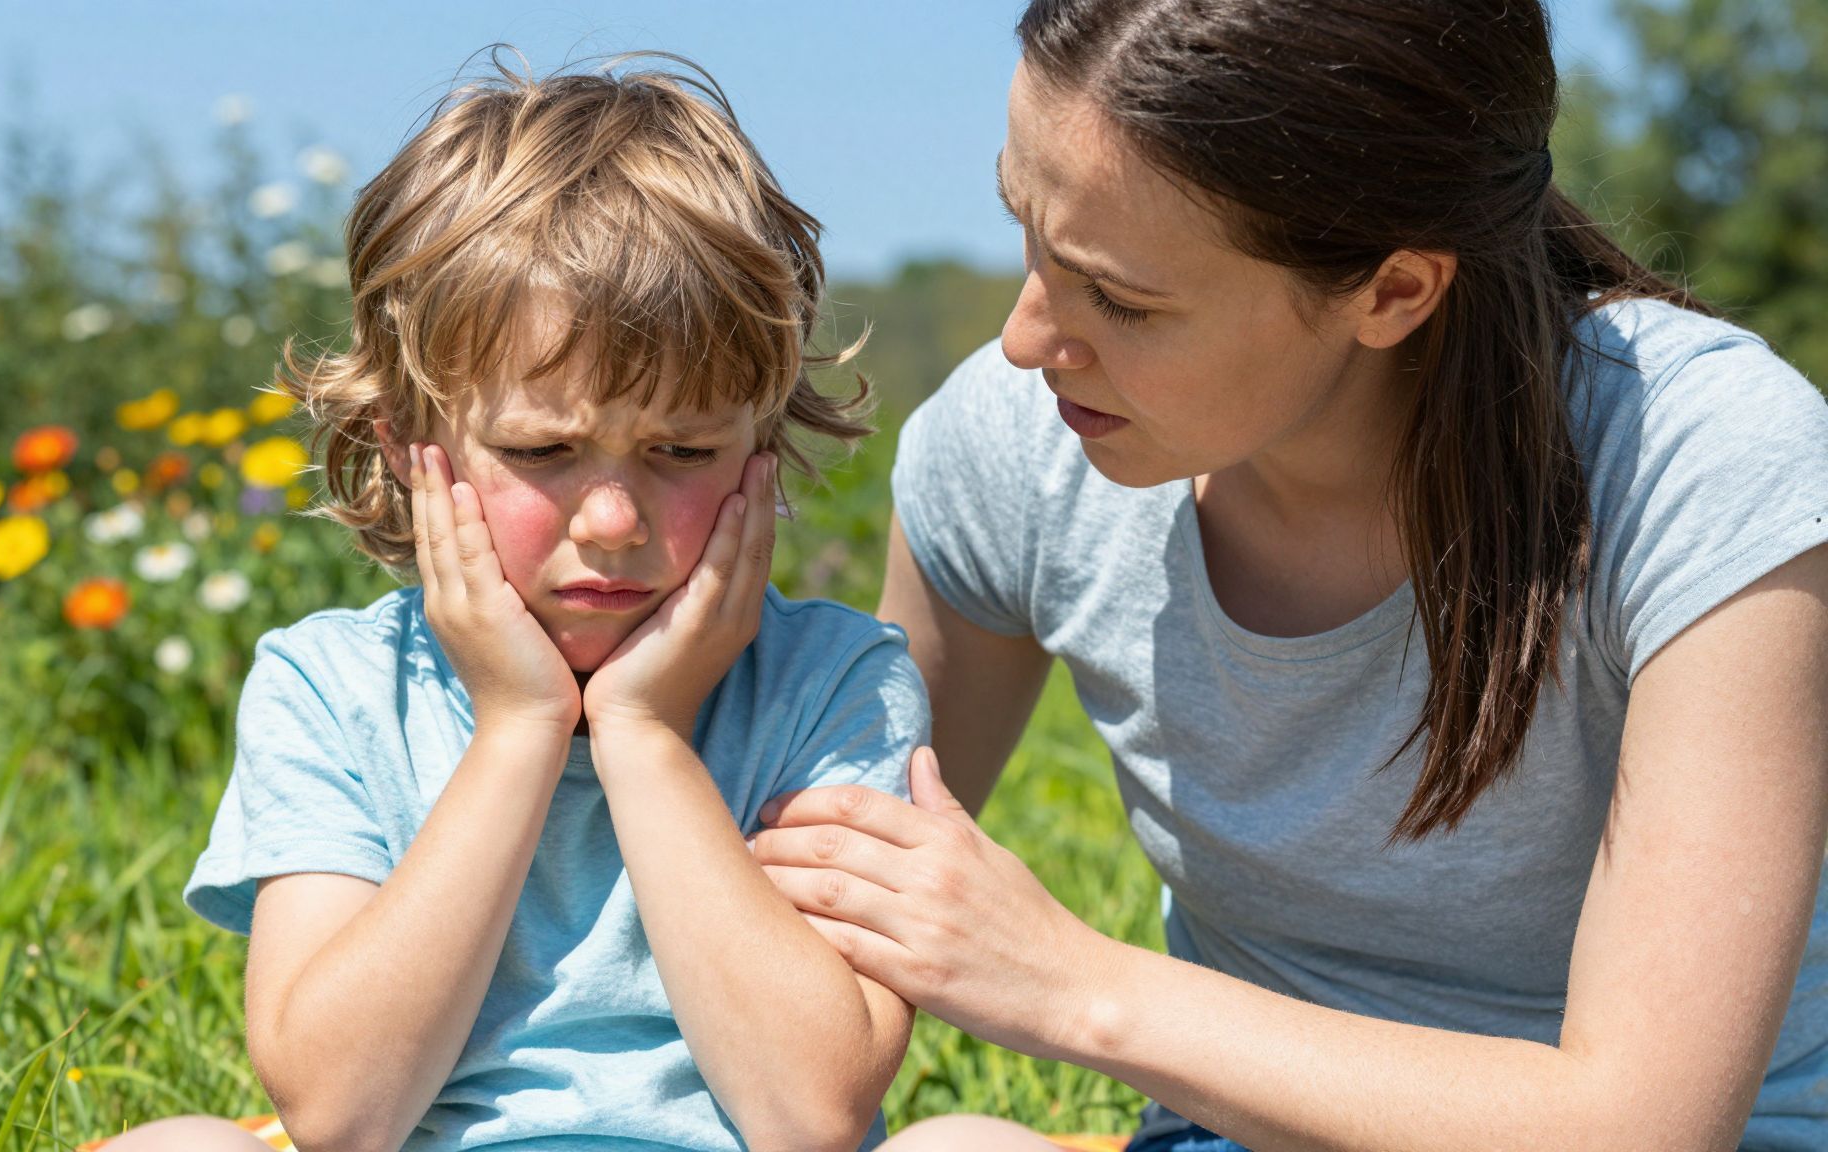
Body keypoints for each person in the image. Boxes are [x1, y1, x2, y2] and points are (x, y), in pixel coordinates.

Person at [747, 1, 1828, 1149]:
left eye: (1122, 299)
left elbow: (1639, 1128)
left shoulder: (1693, 463)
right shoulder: (1020, 447)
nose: (1025, 338)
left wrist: (1070, 987)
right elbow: (806, 935)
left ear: (1392, 291)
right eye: (1024, 225)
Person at [95, 53, 925, 1152]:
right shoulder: (332, 689)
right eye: (544, 450)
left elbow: (810, 1114)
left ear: (760, 451)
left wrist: (643, 736)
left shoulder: (835, 685)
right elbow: (340, 1114)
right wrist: (521, 727)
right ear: (407, 447)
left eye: (683, 448)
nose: (614, 520)